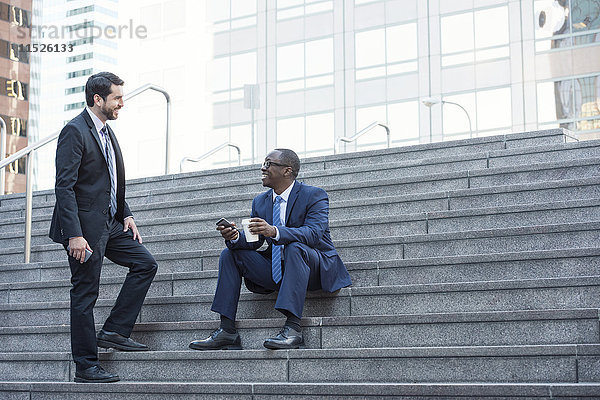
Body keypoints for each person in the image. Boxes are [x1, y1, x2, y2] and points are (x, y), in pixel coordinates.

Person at [49, 72, 158, 383]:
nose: (122, 103)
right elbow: (65, 187)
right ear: (98, 99)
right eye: (117, 98)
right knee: (85, 293)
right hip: (83, 230)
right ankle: (85, 365)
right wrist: (74, 234)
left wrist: (126, 213)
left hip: (109, 223)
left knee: (145, 263)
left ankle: (114, 330)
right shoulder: (74, 130)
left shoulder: (107, 131)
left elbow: (109, 179)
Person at [189, 149, 351, 351]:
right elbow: (254, 241)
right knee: (230, 254)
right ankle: (227, 330)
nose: (262, 168)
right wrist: (236, 236)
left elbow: (313, 234)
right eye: (263, 163)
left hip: (314, 268)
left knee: (295, 247)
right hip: (278, 269)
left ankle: (293, 329)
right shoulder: (260, 201)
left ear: (287, 170)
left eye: (268, 164)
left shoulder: (314, 195)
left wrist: (274, 231)